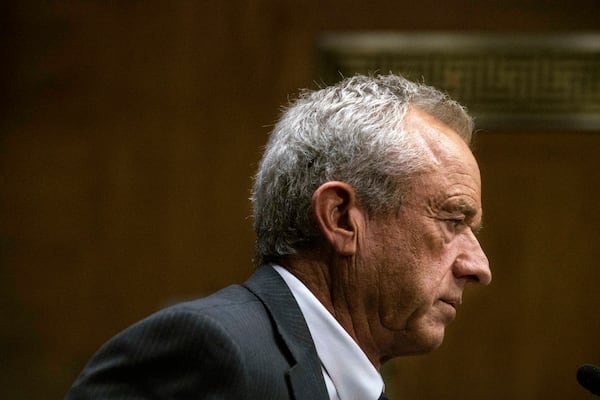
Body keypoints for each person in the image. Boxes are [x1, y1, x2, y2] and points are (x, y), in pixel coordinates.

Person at [66, 74, 491, 400]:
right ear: (342, 218)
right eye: (453, 220)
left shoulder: (351, 381)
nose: (479, 267)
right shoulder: (209, 353)